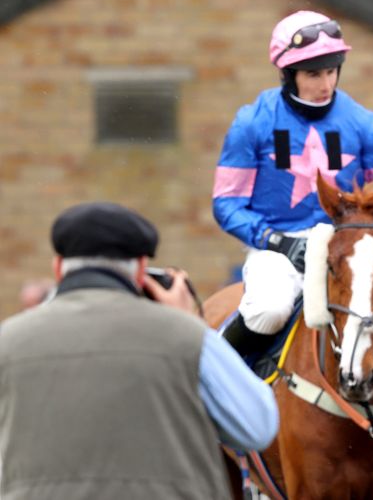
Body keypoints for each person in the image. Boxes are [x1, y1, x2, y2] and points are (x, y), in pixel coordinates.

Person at [0, 202, 279, 499]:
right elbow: (258, 426)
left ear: (58, 268)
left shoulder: (8, 340)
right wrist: (193, 328)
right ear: (142, 270)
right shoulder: (185, 337)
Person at [213, 10, 373, 356]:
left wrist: (369, 228)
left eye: (331, 71)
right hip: (278, 249)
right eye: (313, 74)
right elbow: (226, 204)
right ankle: (212, 375)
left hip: (348, 244)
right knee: (268, 310)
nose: (326, 84)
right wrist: (276, 240)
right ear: (288, 74)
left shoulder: (365, 124)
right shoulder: (251, 123)